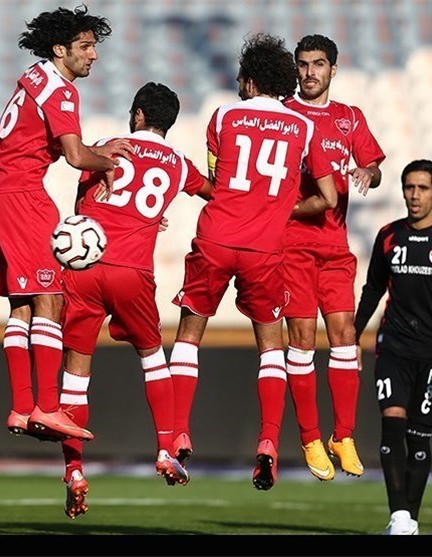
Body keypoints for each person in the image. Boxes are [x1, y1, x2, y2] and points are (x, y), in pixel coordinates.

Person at [168, 33, 338, 491]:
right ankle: (268, 442)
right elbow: (328, 197)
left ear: (248, 81)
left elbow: (216, 179)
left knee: (188, 336)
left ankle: (177, 433)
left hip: (216, 238)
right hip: (265, 249)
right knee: (270, 347)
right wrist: (283, 208)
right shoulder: (304, 127)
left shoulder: (223, 115)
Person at [58, 82, 214, 519]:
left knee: (76, 375)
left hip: (85, 268)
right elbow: (215, 193)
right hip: (133, 272)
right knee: (153, 359)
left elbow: (82, 205)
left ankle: (73, 472)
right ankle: (165, 448)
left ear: (139, 115)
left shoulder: (108, 147)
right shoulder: (179, 164)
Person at [0, 6, 131, 442]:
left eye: (94, 46)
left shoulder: (35, 76)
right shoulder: (62, 91)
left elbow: (59, 144)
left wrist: (96, 150)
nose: (94, 55)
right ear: (60, 49)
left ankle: (21, 407)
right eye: (85, 46)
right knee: (51, 298)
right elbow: (75, 156)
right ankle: (48, 407)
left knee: (22, 304)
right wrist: (108, 164)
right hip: (22, 196)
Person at [281, 34, 386, 481]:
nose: (310, 72)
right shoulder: (283, 114)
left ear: (333, 69)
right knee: (303, 338)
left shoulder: (349, 117)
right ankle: (310, 437)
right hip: (293, 245)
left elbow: (376, 170)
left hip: (335, 246)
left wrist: (367, 171)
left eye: (318, 64)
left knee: (345, 336)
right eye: (303, 64)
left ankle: (343, 436)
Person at [354, 159, 432, 535]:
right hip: (393, 346)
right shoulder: (388, 236)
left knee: (419, 435)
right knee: (392, 424)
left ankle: (410, 519)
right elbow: (372, 291)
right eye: (409, 187)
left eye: (423, 188)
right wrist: (352, 339)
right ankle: (399, 516)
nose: (415, 195)